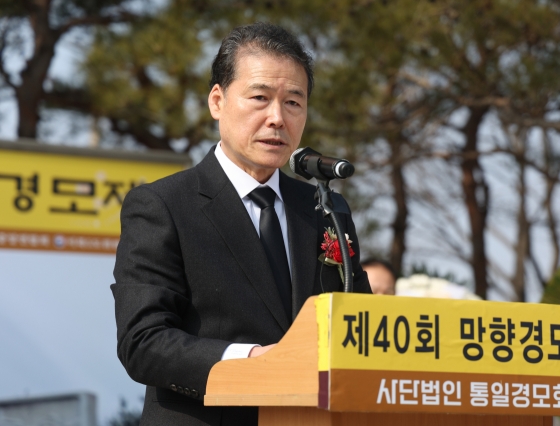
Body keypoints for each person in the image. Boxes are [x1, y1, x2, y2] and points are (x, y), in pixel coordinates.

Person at [111, 22, 371, 426]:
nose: (277, 118)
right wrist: (253, 359)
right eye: (260, 98)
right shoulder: (162, 205)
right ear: (217, 101)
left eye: (293, 103)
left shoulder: (326, 208)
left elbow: (360, 326)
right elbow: (143, 343)